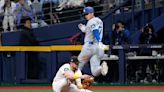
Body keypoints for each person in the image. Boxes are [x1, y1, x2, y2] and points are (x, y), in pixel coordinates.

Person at [78, 6, 108, 77]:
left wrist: (99, 41)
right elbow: (92, 30)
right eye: (84, 15)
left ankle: (73, 82)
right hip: (99, 48)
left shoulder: (91, 21)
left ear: (92, 13)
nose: (85, 16)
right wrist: (84, 29)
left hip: (89, 47)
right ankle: (101, 68)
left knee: (78, 64)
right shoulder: (99, 20)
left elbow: (95, 31)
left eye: (87, 14)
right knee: (94, 72)